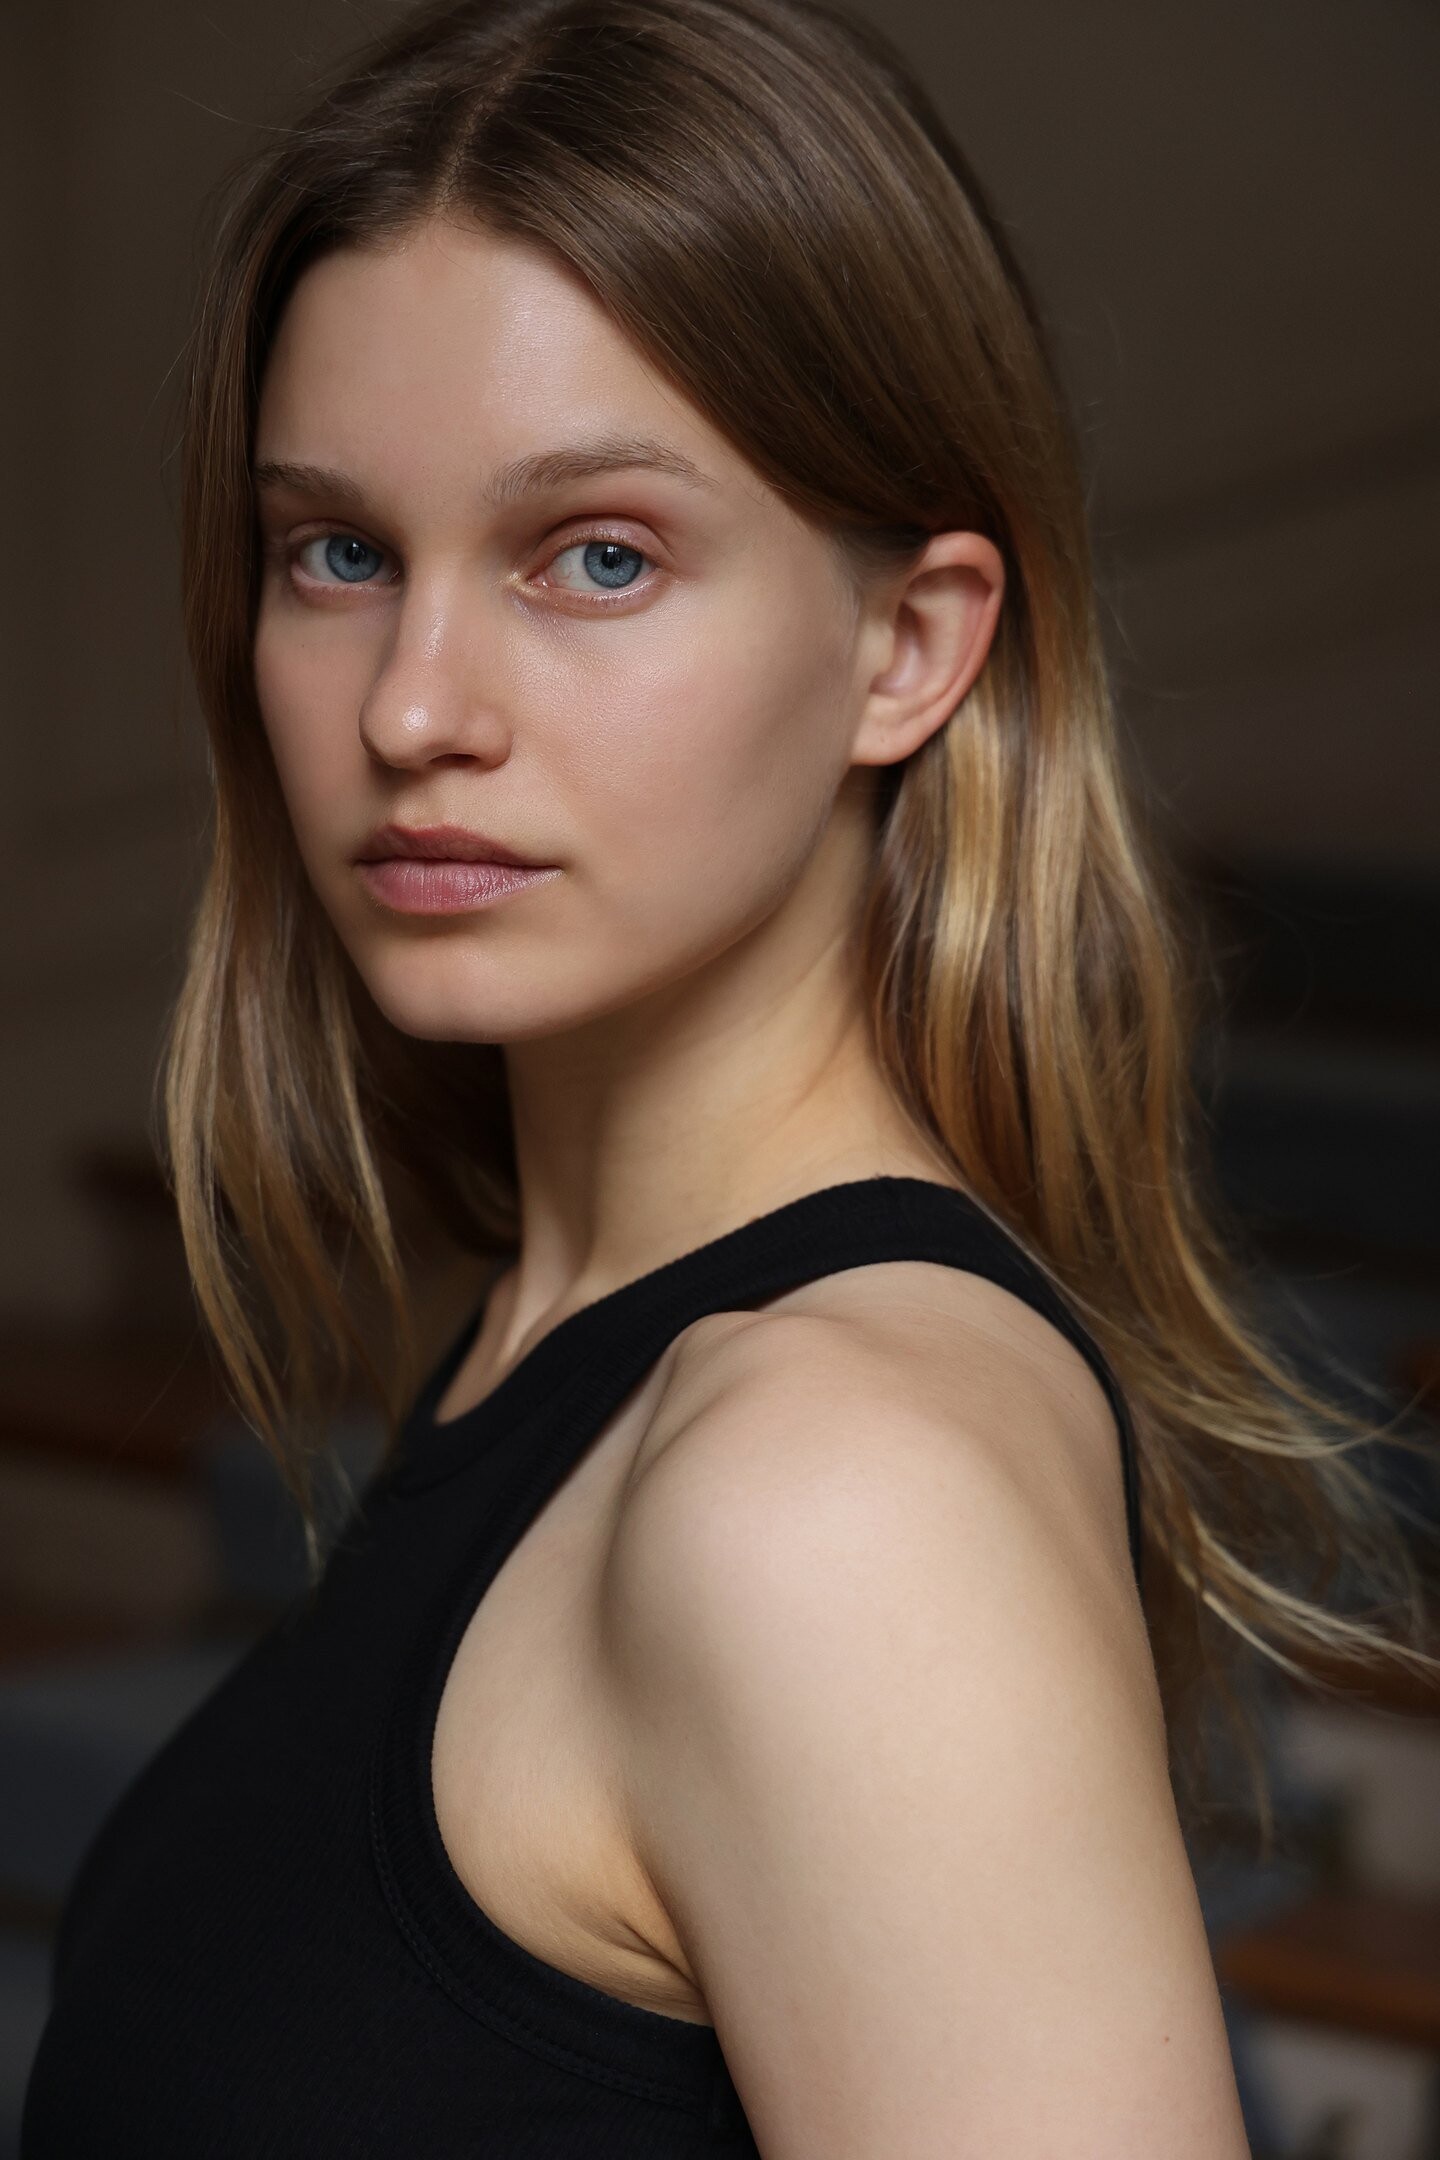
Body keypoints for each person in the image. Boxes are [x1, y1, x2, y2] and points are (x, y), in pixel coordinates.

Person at [22, 0, 1434, 2152]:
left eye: (598, 554)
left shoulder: (831, 1491)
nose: (412, 706)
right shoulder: (564, 1342)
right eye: (340, 553)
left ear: (908, 645)